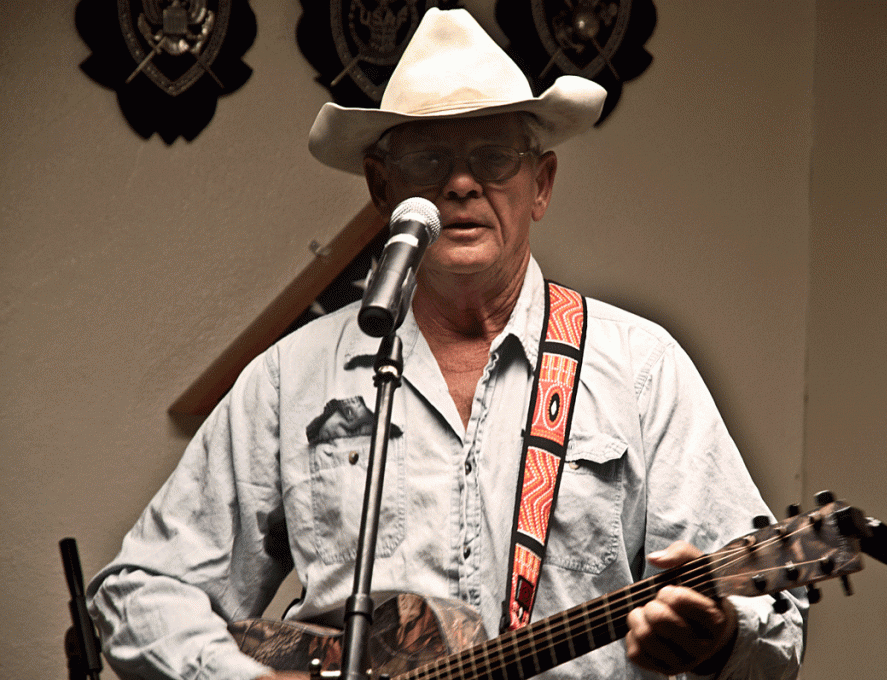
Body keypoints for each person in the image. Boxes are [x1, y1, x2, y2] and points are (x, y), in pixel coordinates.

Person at [88, 9, 806, 680]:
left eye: (494, 157)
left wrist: (717, 641)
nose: (461, 185)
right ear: (381, 189)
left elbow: (773, 624)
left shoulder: (643, 370)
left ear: (541, 184)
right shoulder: (290, 380)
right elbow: (138, 592)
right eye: (428, 162)